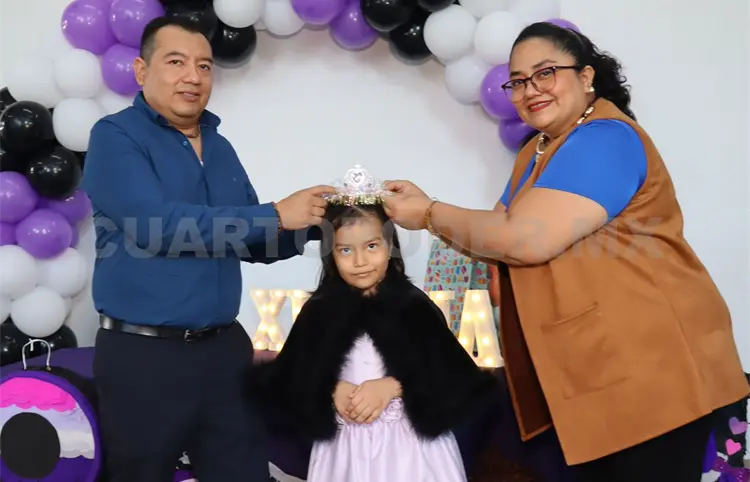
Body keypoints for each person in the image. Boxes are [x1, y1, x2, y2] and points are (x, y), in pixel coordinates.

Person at [381, 21, 749, 482]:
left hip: (660, 376)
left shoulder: (604, 138)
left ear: (586, 76)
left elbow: (525, 238)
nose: (530, 89)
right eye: (518, 81)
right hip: (604, 376)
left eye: (545, 73)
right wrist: (424, 207)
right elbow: (497, 235)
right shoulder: (537, 150)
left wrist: (430, 213)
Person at [80, 16, 334, 482]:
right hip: (144, 356)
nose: (193, 77)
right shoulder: (114, 136)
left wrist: (326, 224)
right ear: (141, 70)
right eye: (176, 62)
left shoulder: (220, 147)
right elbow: (160, 227)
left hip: (224, 352)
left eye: (204, 66)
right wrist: (278, 213)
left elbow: (251, 241)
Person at [249, 166, 500, 482]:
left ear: (389, 247)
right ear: (330, 254)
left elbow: (453, 373)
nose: (360, 261)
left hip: (412, 449)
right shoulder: (320, 310)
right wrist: (329, 388)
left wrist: (395, 386)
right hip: (345, 451)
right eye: (345, 250)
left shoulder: (413, 305)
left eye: (371, 246)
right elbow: (289, 377)